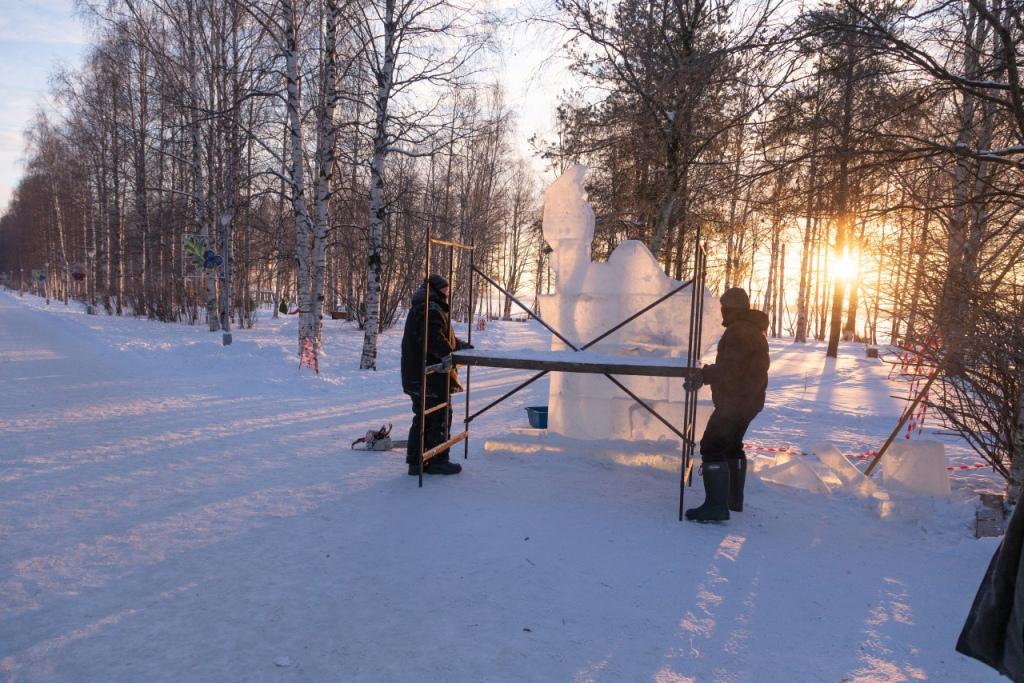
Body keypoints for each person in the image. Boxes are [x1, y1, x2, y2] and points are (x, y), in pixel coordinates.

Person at [682, 287, 770, 522]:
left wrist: (704, 375)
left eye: (724, 307)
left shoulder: (739, 331)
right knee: (732, 446)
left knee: (712, 446)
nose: (721, 312)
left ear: (731, 309)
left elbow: (730, 369)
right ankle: (733, 500)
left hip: (736, 402)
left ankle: (716, 506)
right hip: (749, 401)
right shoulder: (752, 330)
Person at [400, 274, 471, 475]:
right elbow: (433, 340)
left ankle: (417, 462)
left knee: (423, 417)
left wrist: (461, 346)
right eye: (445, 290)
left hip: (419, 376)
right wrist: (447, 354)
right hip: (429, 377)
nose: (447, 294)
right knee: (439, 415)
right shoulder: (429, 308)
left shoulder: (427, 308)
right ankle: (438, 459)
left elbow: (442, 336)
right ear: (437, 290)